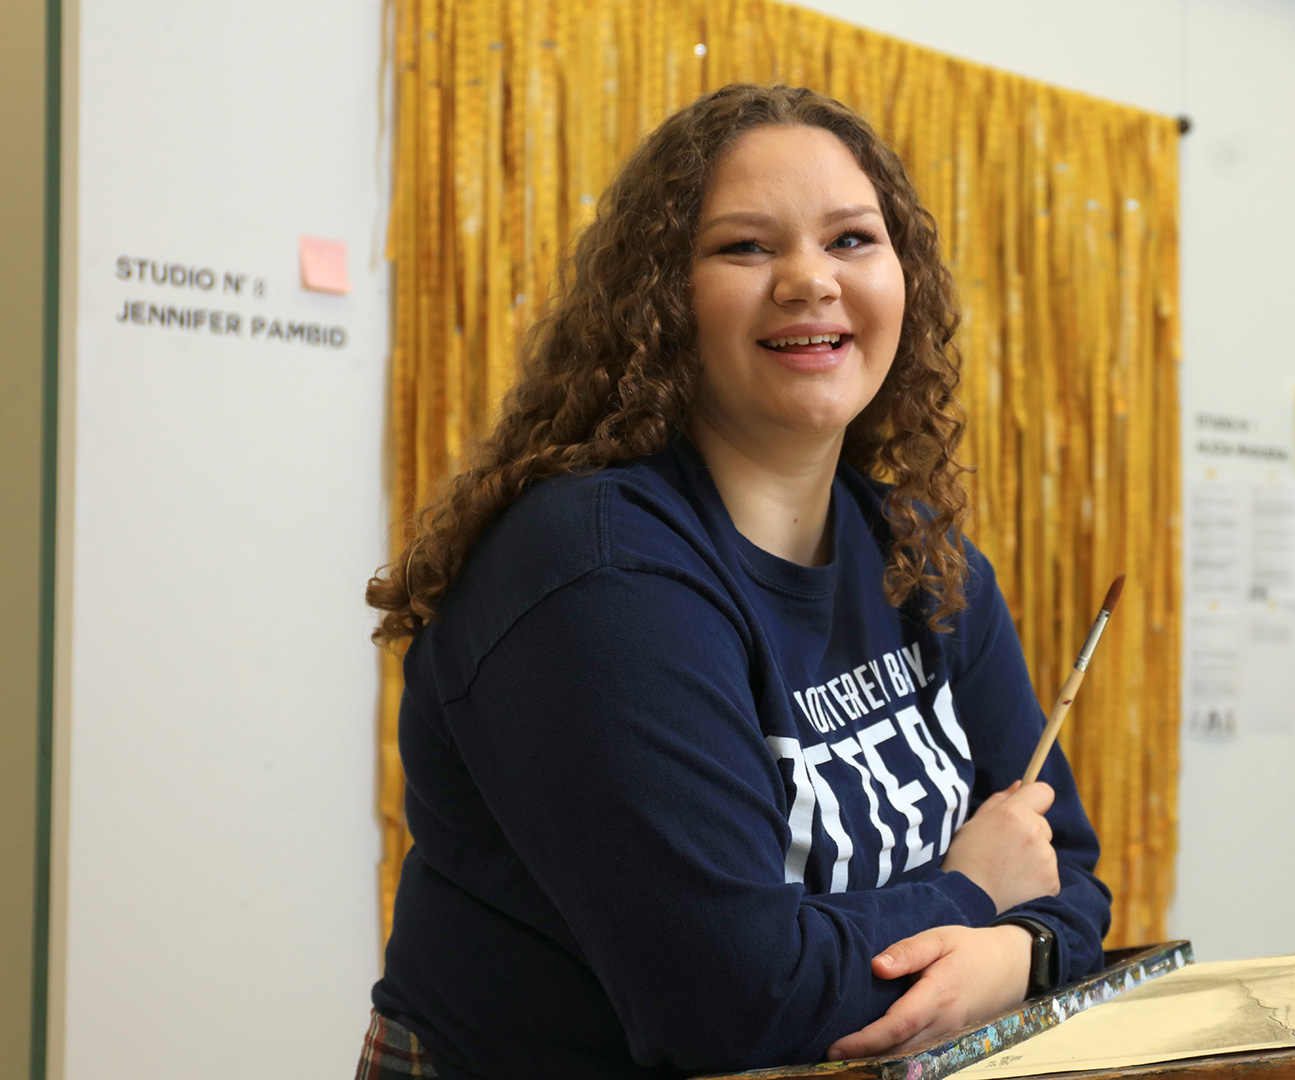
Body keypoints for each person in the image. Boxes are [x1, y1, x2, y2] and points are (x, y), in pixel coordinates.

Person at [356, 83, 1112, 1080]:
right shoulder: (595, 571)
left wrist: (1020, 950)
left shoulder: (924, 557)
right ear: (662, 302)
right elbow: (733, 1000)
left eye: (851, 239)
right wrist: (973, 900)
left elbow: (1072, 878)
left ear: (905, 280)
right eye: (746, 247)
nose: (809, 281)